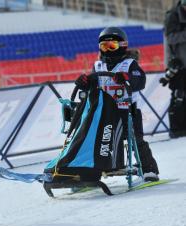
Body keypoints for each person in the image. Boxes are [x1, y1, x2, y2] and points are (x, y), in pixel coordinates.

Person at [74, 27, 159, 182]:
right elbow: (92, 83)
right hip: (104, 113)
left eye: (112, 46)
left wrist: (126, 77)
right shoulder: (98, 66)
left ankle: (149, 169)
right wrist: (84, 82)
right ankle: (89, 171)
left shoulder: (129, 64)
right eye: (104, 46)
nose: (108, 50)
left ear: (122, 45)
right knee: (92, 138)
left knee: (136, 140)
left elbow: (140, 80)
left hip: (127, 112)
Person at [162, 0, 186, 137]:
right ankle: (176, 129)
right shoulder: (172, 16)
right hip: (177, 64)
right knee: (178, 96)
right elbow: (170, 38)